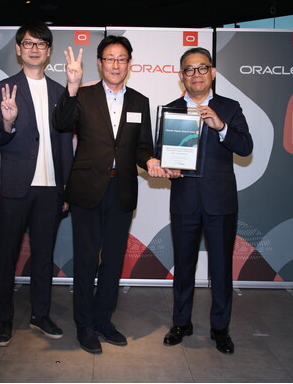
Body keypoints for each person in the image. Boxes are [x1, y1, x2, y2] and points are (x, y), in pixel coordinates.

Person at [52, 35, 167, 354]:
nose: (116, 64)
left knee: (113, 261)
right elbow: (61, 123)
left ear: (129, 64)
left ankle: (103, 320)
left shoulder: (140, 101)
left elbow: (142, 147)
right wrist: (71, 86)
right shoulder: (83, 95)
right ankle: (84, 325)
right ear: (100, 63)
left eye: (121, 59)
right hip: (88, 189)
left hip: (122, 190)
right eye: (110, 58)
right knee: (87, 260)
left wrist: (150, 161)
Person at [157, 47, 253, 355]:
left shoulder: (229, 107)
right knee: (183, 266)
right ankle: (180, 323)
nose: (196, 74)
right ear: (181, 76)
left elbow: (245, 146)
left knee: (221, 268)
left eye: (202, 68)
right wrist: (166, 166)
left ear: (212, 72)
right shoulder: (171, 109)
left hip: (220, 202)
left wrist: (221, 127)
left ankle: (220, 328)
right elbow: (160, 151)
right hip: (184, 199)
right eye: (189, 69)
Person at [0, 21, 73, 346]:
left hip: (50, 189)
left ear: (48, 51)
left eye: (40, 43)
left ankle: (40, 315)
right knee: (5, 256)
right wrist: (7, 122)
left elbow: (65, 143)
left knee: (43, 257)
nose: (34, 49)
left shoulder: (60, 92)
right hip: (14, 187)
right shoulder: (5, 88)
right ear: (18, 49)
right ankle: (3, 319)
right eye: (28, 43)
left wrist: (66, 187)